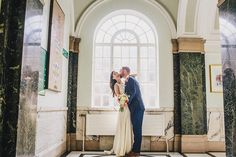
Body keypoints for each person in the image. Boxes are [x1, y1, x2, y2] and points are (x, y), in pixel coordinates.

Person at [105, 71, 133, 156]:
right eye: (114, 74)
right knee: (122, 125)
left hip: (128, 107)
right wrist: (123, 101)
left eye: (116, 72)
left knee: (128, 125)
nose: (116, 73)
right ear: (113, 77)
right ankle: (121, 148)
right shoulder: (116, 85)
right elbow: (118, 97)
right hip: (122, 107)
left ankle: (128, 148)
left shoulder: (124, 81)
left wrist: (127, 99)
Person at [120, 66, 145, 157]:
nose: (120, 72)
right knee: (136, 129)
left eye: (121, 70)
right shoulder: (129, 80)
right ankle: (135, 150)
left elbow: (132, 93)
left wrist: (125, 102)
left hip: (137, 108)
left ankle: (136, 151)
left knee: (137, 129)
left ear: (126, 71)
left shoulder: (130, 79)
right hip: (135, 108)